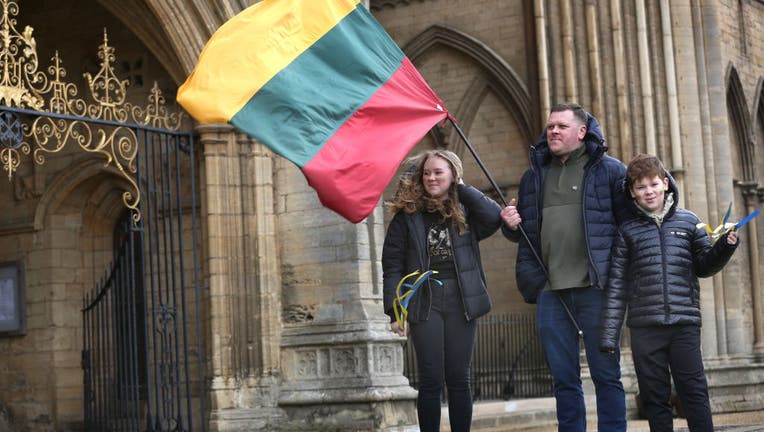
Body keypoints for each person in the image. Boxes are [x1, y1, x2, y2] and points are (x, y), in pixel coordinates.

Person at [500, 102, 628, 431]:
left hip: (595, 289)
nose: (553, 131)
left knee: (606, 375)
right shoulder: (533, 177)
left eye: (561, 126)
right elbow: (525, 234)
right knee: (563, 379)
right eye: (550, 126)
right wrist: (510, 225)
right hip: (550, 291)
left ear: (582, 132)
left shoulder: (611, 171)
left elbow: (629, 224)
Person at [600, 154, 739, 432]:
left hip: (684, 325)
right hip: (644, 328)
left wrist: (724, 247)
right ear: (632, 192)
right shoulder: (626, 231)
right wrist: (609, 336)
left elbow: (703, 265)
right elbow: (617, 285)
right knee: (654, 398)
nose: (648, 191)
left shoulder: (689, 222)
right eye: (641, 187)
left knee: (694, 393)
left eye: (653, 184)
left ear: (665, 184)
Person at [382, 149, 502, 432]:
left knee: (459, 377)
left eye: (439, 172)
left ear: (453, 175)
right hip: (424, 301)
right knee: (431, 378)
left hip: (463, 300)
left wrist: (461, 188)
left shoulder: (467, 210)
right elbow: (392, 266)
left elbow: (494, 217)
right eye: (426, 173)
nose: (431, 178)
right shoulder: (407, 216)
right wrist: (396, 311)